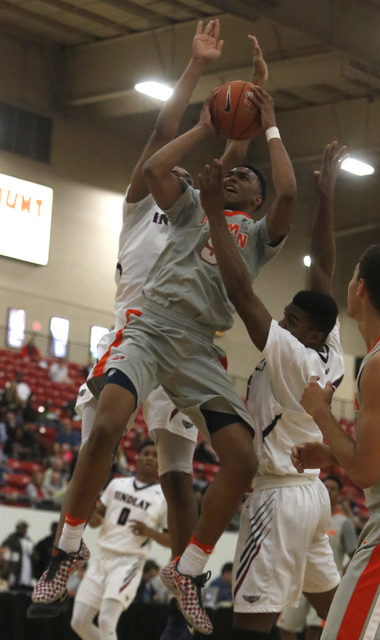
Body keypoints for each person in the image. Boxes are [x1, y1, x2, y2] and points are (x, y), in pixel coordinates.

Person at [29, 26, 284, 638]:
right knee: (104, 438)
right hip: (137, 330)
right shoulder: (145, 205)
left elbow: (234, 177)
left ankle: (184, 574)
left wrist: (248, 111)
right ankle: (69, 550)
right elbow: (158, 142)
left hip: (193, 340)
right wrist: (197, 72)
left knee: (177, 477)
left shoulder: (207, 211)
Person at [199, 141, 346, 639]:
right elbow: (322, 269)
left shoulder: (293, 355)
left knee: (249, 627)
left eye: (292, 319)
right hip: (311, 496)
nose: (282, 321)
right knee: (338, 614)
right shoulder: (332, 346)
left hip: (279, 497)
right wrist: (326, 197)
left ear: (308, 334)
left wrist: (214, 215)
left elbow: (241, 293)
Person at [290, 243, 380, 640]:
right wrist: (332, 454)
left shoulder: (377, 364)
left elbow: (365, 471)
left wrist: (320, 412)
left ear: (360, 288)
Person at [70, 439, 170, 640]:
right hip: (101, 557)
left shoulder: (163, 497)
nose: (150, 457)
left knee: (107, 621)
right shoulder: (117, 484)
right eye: (146, 453)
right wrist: (87, 505)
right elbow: (96, 522)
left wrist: (149, 532)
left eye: (155, 454)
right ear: (138, 458)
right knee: (79, 621)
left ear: (161, 462)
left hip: (129, 562)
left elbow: (171, 540)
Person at [276, 475, 357, 640]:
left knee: (314, 630)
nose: (327, 490)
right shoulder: (305, 514)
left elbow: (354, 555)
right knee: (286, 627)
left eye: (333, 488)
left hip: (325, 582)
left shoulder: (344, 523)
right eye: (325, 486)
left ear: (339, 494)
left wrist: (344, 577)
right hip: (298, 580)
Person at [2, 520, 34, 591]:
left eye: (25, 528)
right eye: (21, 528)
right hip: (14, 573)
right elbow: (5, 556)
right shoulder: (11, 540)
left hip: (26, 573)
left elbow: (34, 556)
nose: (23, 530)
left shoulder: (28, 541)